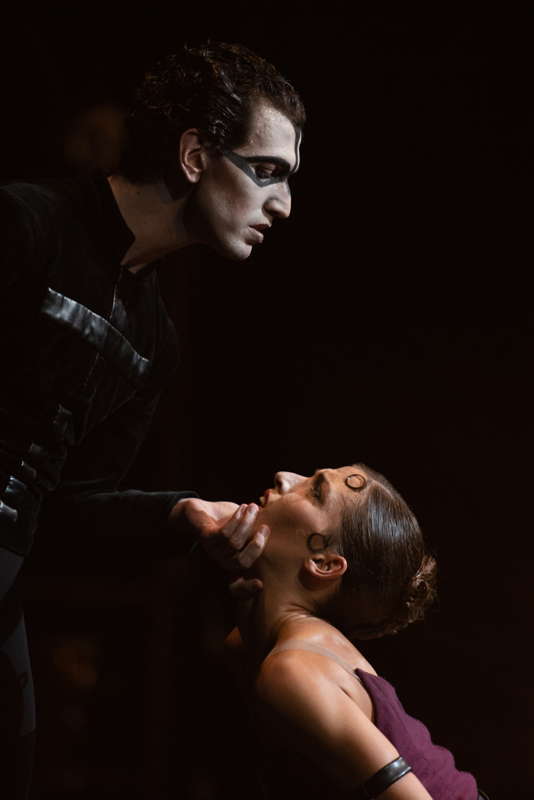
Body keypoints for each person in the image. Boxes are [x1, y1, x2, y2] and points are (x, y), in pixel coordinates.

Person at [0, 42, 304, 796]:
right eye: (266, 171)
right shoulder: (23, 227)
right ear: (196, 154)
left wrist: (180, 515)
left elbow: (62, 516)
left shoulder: (152, 339)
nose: (284, 204)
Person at [184, 464, 489, 799]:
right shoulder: (254, 645)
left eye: (315, 493)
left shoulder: (293, 670)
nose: (284, 477)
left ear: (325, 564)